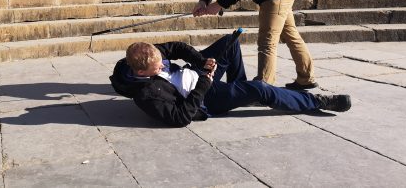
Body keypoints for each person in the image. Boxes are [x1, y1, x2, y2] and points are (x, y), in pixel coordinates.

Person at [110, 32, 351, 128]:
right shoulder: (145, 95)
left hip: (199, 74)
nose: (163, 63)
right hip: (206, 96)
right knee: (261, 88)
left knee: (230, 42)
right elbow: (180, 118)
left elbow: (177, 47)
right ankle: (317, 102)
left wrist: (201, 62)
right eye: (158, 66)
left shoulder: (147, 54)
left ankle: (240, 92)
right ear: (142, 73)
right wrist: (204, 83)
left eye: (162, 60)